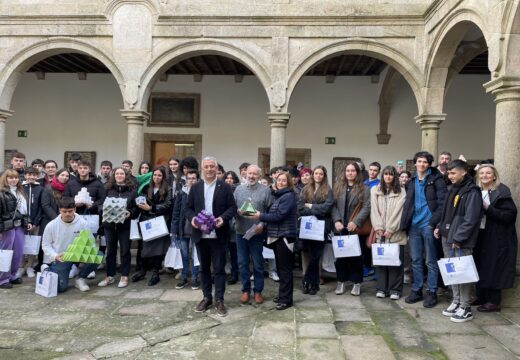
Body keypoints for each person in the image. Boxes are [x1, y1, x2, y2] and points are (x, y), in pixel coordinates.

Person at [186, 156, 237, 317]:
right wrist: (193, 219)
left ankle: (219, 300)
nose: (209, 169)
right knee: (204, 268)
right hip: (200, 236)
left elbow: (232, 208)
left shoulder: (225, 187)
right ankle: (206, 297)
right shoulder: (195, 187)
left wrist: (223, 218)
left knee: (220, 269)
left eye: (212, 166)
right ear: (202, 169)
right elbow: (188, 208)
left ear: (216, 168)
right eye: (206, 167)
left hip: (219, 235)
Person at [434, 159, 482, 322]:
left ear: (464, 172)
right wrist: (439, 227)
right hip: (447, 236)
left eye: (453, 173)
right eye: (449, 173)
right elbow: (447, 213)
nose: (450, 176)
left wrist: (459, 237)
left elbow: (471, 219)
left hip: (460, 240)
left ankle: (465, 306)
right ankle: (456, 301)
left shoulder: (472, 192)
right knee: (453, 272)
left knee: (462, 272)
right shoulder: (452, 189)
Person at [400, 151, 447, 308]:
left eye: (425, 162)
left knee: (431, 261)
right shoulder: (411, 181)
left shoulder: (437, 180)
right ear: (415, 163)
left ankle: (432, 291)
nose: (422, 164)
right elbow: (408, 204)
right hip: (414, 226)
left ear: (429, 164)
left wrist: (433, 223)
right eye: (419, 161)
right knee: (415, 260)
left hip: (428, 225)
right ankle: (416, 290)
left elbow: (442, 204)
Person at [248, 171, 297, 310]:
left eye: (283, 180)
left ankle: (286, 300)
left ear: (288, 183)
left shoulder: (288, 196)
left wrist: (260, 215)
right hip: (277, 236)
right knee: (281, 269)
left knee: (285, 269)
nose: (280, 182)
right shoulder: (278, 196)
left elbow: (278, 216)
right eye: (278, 180)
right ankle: (283, 295)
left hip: (285, 236)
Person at [473, 164, 518, 312]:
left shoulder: (502, 192)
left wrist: (488, 208)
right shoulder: (476, 190)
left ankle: (494, 301)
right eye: (482, 173)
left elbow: (508, 216)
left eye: (488, 173)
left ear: (494, 176)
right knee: (480, 263)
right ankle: (481, 296)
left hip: (497, 236)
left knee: (494, 266)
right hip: (479, 233)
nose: (484, 176)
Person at [42, 197, 99, 293]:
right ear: (59, 210)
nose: (67, 214)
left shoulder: (82, 223)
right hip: (62, 257)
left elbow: (91, 241)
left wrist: (87, 252)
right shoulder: (51, 225)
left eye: (70, 211)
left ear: (75, 209)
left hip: (79, 253)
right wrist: (55, 255)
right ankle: (48, 268)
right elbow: (45, 245)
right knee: (60, 288)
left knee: (98, 255)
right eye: (64, 211)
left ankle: (80, 278)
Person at [234, 164, 272, 304]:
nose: (251, 176)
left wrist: (263, 225)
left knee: (257, 263)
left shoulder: (265, 191)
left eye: (255, 174)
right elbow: (232, 208)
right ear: (245, 174)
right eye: (249, 173)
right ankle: (245, 290)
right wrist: (236, 214)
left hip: (256, 233)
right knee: (242, 263)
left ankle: (258, 291)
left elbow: (269, 212)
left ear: (259, 176)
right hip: (240, 232)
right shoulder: (238, 189)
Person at [332, 162, 371, 296]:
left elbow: (367, 207)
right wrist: (336, 220)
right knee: (340, 256)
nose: (350, 173)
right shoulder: (338, 187)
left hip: (355, 228)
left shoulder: (364, 188)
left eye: (353, 171)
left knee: (356, 256)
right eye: (347, 171)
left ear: (357, 173)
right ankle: (341, 281)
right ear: (344, 173)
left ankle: (356, 283)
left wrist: (356, 222)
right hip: (340, 227)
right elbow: (333, 205)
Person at [370, 165, 407, 300]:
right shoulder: (375, 190)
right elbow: (373, 210)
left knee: (395, 263)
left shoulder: (401, 191)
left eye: (391, 174)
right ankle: (381, 288)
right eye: (385, 174)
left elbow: (400, 211)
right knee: (381, 262)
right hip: (380, 234)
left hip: (395, 234)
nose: (388, 176)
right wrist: (378, 227)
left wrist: (391, 229)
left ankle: (395, 290)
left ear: (394, 176)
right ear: (382, 176)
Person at [98, 167, 138, 288]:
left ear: (126, 175)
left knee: (125, 250)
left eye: (122, 173)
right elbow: (100, 204)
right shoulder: (106, 188)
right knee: (110, 250)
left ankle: (124, 275)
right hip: (109, 225)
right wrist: (104, 211)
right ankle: (110, 275)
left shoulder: (132, 190)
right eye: (117, 174)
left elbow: (136, 207)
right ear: (113, 175)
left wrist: (130, 213)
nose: (119, 175)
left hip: (125, 225)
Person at [132, 166, 172, 286]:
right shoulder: (146, 188)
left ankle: (155, 272)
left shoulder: (168, 189)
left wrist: (152, 208)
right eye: (155, 175)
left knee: (158, 249)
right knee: (145, 248)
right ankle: (143, 271)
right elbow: (140, 201)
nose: (156, 177)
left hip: (160, 222)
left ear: (163, 177)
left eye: (159, 175)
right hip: (146, 222)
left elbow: (168, 204)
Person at [298, 165, 333, 295]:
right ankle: (313, 285)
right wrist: (316, 209)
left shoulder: (328, 190)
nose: (318, 176)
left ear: (324, 176)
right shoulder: (305, 189)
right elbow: (301, 208)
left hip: (321, 228)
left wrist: (311, 205)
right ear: (313, 175)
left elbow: (327, 208)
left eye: (321, 174)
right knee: (308, 254)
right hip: (307, 227)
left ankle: (308, 281)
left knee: (315, 256)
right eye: (316, 173)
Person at [0, 170, 32, 288]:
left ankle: (12, 276)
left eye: (16, 178)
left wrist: (28, 222)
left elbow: (24, 211)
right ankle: (2, 279)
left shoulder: (20, 191)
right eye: (10, 178)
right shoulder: (1, 193)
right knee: (5, 253)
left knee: (18, 252)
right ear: (5, 179)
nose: (14, 180)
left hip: (19, 225)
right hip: (6, 226)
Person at [172, 169, 200, 290]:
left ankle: (194, 278)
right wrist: (173, 230)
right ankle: (183, 277)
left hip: (197, 229)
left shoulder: (201, 192)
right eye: (189, 178)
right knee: (184, 254)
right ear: (186, 179)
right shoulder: (181, 193)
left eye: (193, 178)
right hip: (182, 229)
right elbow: (176, 212)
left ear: (197, 179)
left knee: (195, 256)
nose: (191, 181)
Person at [38, 168, 70, 270]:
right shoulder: (48, 188)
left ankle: (60, 264)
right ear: (57, 176)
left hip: (64, 221)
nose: (64, 178)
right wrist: (57, 218)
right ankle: (44, 264)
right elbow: (45, 205)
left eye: (67, 176)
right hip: (49, 220)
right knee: (47, 242)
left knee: (60, 242)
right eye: (62, 175)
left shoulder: (68, 189)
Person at [19, 167, 43, 278]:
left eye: (34, 175)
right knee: (21, 243)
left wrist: (35, 222)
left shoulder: (40, 189)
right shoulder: (20, 188)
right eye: (29, 174)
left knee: (34, 243)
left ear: (37, 176)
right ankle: (21, 266)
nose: (31, 177)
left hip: (35, 222)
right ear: (25, 175)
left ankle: (29, 266)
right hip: (21, 222)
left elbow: (41, 207)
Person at [223, 170, 240, 284]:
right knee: (223, 252)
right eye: (227, 178)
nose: (229, 180)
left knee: (234, 252)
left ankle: (234, 273)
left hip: (234, 225)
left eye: (231, 178)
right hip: (222, 225)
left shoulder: (238, 190)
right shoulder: (221, 189)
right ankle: (222, 273)